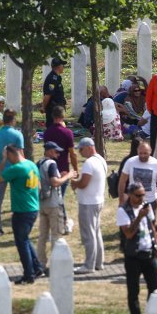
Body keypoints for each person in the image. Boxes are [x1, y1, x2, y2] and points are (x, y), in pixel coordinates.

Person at [117, 182, 157, 314]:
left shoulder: (146, 206)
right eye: (138, 195)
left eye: (143, 195)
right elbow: (129, 234)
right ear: (130, 195)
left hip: (149, 254)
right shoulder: (123, 211)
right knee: (133, 291)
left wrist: (156, 247)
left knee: (155, 289)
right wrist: (139, 217)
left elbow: (152, 227)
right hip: (133, 257)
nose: (141, 198)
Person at [0, 144, 45, 284]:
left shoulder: (16, 168)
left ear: (10, 154)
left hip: (22, 211)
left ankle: (28, 275)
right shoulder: (31, 165)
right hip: (33, 207)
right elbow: (39, 186)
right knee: (26, 239)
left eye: (7, 156)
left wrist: (3, 161)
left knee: (21, 243)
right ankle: (37, 267)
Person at [70, 138, 108, 273]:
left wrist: (74, 182)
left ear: (88, 147)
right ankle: (98, 262)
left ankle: (89, 265)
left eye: (81, 149)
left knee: (88, 234)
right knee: (96, 233)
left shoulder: (89, 163)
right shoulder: (101, 160)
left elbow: (84, 183)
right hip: (98, 200)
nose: (80, 152)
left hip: (88, 203)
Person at [36, 142, 75, 266]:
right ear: (50, 151)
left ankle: (41, 263)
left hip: (42, 203)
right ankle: (56, 264)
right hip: (53, 204)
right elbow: (54, 182)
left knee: (42, 236)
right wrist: (68, 176)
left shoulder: (39, 163)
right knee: (56, 235)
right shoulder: (51, 164)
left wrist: (60, 176)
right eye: (56, 151)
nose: (58, 154)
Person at [0, 109, 24, 236]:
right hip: (16, 169)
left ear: (3, 120)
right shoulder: (18, 135)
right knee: (19, 198)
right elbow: (21, 154)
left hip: (0, 168)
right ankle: (19, 225)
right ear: (13, 120)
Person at [42, 106, 78, 233]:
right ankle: (63, 223)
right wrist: (75, 169)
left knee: (54, 197)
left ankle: (59, 221)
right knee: (59, 198)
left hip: (49, 168)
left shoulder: (47, 132)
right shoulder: (67, 133)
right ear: (63, 117)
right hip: (63, 169)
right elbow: (72, 153)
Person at [118, 141, 157, 218]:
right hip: (133, 201)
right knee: (133, 226)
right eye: (140, 153)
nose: (142, 155)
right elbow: (122, 181)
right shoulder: (130, 162)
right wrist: (121, 200)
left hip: (150, 201)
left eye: (145, 153)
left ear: (150, 152)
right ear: (137, 151)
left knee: (150, 226)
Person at [42, 58, 67, 126]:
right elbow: (48, 95)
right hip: (53, 109)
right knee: (52, 129)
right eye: (62, 65)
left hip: (57, 108)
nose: (63, 67)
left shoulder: (56, 77)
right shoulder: (52, 79)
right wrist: (43, 107)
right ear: (58, 66)